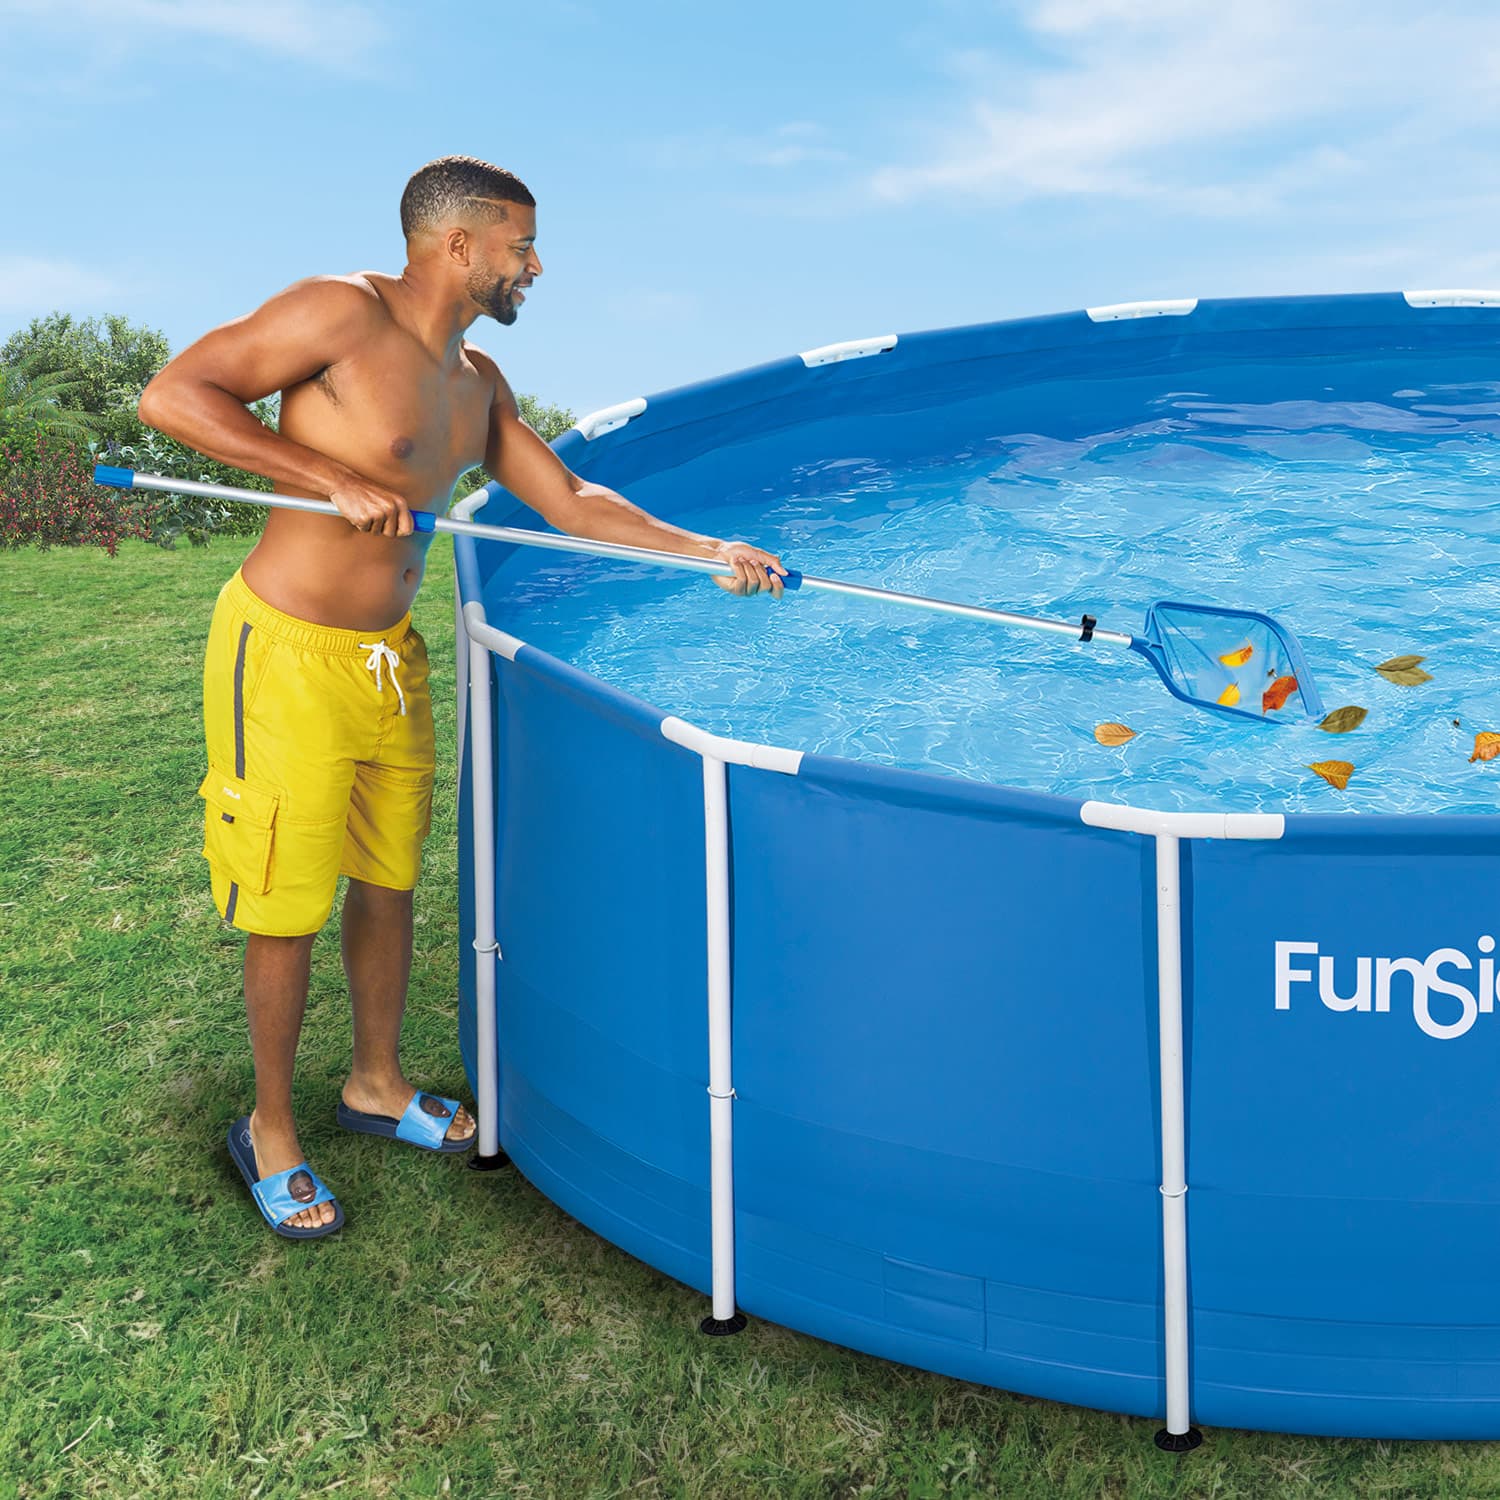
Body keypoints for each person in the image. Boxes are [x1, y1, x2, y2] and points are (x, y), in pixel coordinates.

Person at [138, 155, 787, 1239]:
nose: (535, 264)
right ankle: (270, 1127)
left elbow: (571, 498)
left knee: (387, 879)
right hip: (287, 655)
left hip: (389, 658)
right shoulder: (337, 314)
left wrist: (701, 548)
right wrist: (327, 479)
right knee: (287, 902)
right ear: (458, 247)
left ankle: (375, 1085)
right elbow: (172, 394)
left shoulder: (477, 383)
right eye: (521, 245)